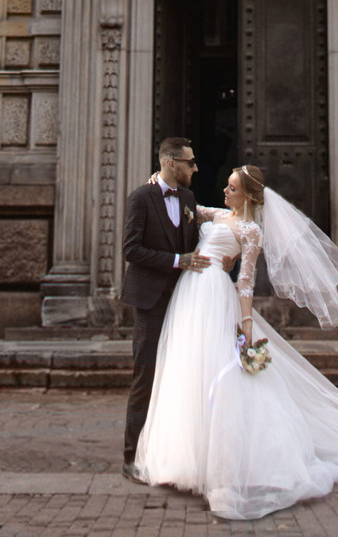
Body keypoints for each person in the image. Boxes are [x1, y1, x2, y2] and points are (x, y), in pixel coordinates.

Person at [132, 164, 338, 520]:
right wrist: (158, 180)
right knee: (187, 371)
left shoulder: (251, 230)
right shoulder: (217, 214)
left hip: (214, 297)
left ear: (248, 196)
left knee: (220, 375)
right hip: (190, 297)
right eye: (226, 187)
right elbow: (184, 207)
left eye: (232, 188)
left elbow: (245, 281)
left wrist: (245, 324)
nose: (225, 192)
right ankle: (181, 458)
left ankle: (225, 461)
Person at [120, 136, 209, 479]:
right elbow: (131, 250)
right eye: (190, 162)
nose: (195, 167)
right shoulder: (140, 197)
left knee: (180, 377)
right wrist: (177, 261)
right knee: (145, 375)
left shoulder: (187, 198)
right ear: (172, 163)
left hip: (184, 300)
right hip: (150, 300)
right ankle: (131, 457)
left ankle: (170, 454)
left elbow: (193, 240)